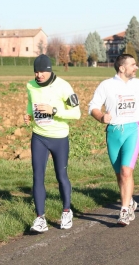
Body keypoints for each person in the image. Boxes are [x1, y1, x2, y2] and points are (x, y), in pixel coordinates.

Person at [88, 54, 139, 226]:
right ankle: (129, 201)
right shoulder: (106, 85)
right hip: (114, 132)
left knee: (126, 171)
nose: (136, 67)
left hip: (133, 129)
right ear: (122, 68)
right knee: (119, 174)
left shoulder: (137, 83)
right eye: (133, 65)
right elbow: (92, 106)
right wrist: (101, 117)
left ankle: (124, 210)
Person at [23, 54, 81, 232]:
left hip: (59, 137)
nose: (38, 75)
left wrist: (54, 110)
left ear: (49, 70)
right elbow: (31, 103)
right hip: (39, 136)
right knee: (37, 177)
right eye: (36, 71)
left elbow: (76, 113)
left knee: (61, 176)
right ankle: (40, 218)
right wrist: (28, 114)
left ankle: (66, 211)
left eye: (41, 71)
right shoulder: (30, 85)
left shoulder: (63, 86)